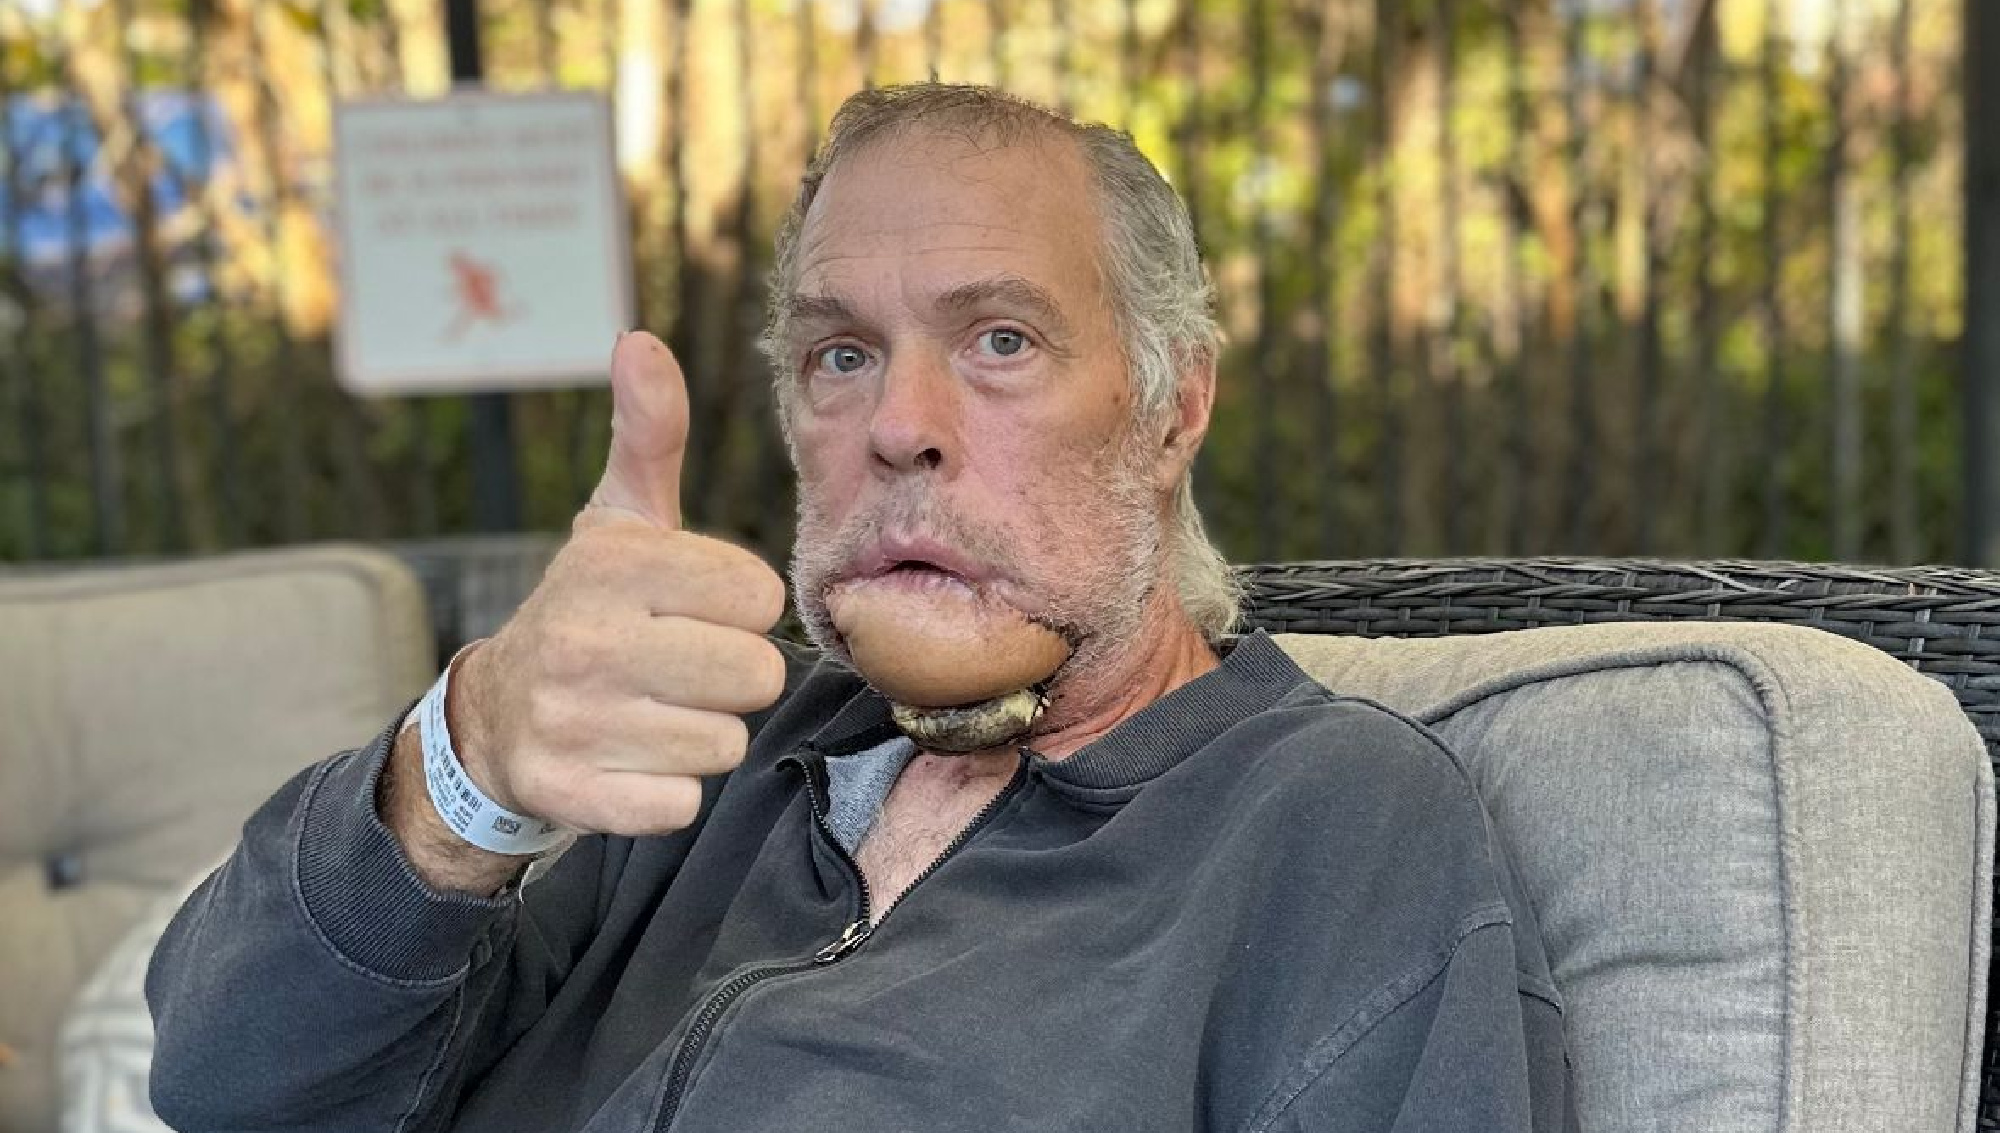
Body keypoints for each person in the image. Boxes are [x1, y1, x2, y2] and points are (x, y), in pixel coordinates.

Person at [147, 83, 1574, 1132]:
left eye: (999, 339)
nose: (898, 424)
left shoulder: (1333, 821)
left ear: (1171, 407)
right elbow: (230, 1082)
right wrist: (465, 767)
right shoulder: (714, 762)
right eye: (841, 355)